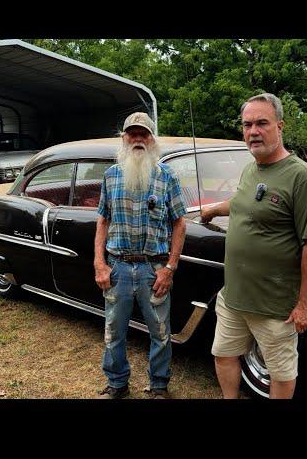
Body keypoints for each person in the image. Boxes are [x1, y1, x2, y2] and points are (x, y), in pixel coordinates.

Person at [200, 93, 307, 399]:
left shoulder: (302, 177)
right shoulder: (250, 169)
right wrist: (214, 210)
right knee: (224, 355)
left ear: (279, 126)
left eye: (261, 123)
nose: (253, 131)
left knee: (281, 372)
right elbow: (245, 202)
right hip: (233, 297)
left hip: (273, 305)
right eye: (247, 125)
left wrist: (306, 303)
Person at [94, 111, 187, 399]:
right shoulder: (110, 177)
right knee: (113, 330)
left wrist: (169, 268)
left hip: (154, 269)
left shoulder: (167, 177)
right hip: (118, 267)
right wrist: (99, 263)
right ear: (124, 138)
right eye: (132, 133)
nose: (137, 138)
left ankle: (159, 386)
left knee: (160, 332)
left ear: (152, 138)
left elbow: (179, 223)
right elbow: (102, 220)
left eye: (143, 133)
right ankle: (117, 383)